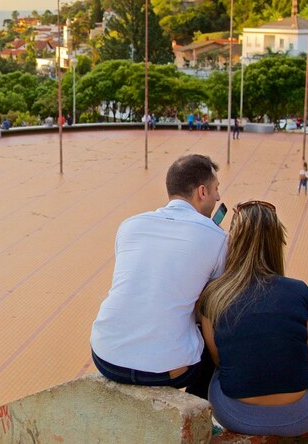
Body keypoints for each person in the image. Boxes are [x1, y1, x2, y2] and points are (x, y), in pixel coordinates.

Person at [90, 154, 228, 399]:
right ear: (203, 192)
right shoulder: (217, 239)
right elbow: (209, 306)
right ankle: (200, 411)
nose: (219, 197)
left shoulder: (129, 225)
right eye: (216, 189)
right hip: (166, 372)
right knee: (212, 327)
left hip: (105, 356)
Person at [199, 200, 308, 437]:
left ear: (232, 242)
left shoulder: (214, 295)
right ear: (277, 242)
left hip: (235, 414)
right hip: (300, 416)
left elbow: (220, 360)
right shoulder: (299, 291)